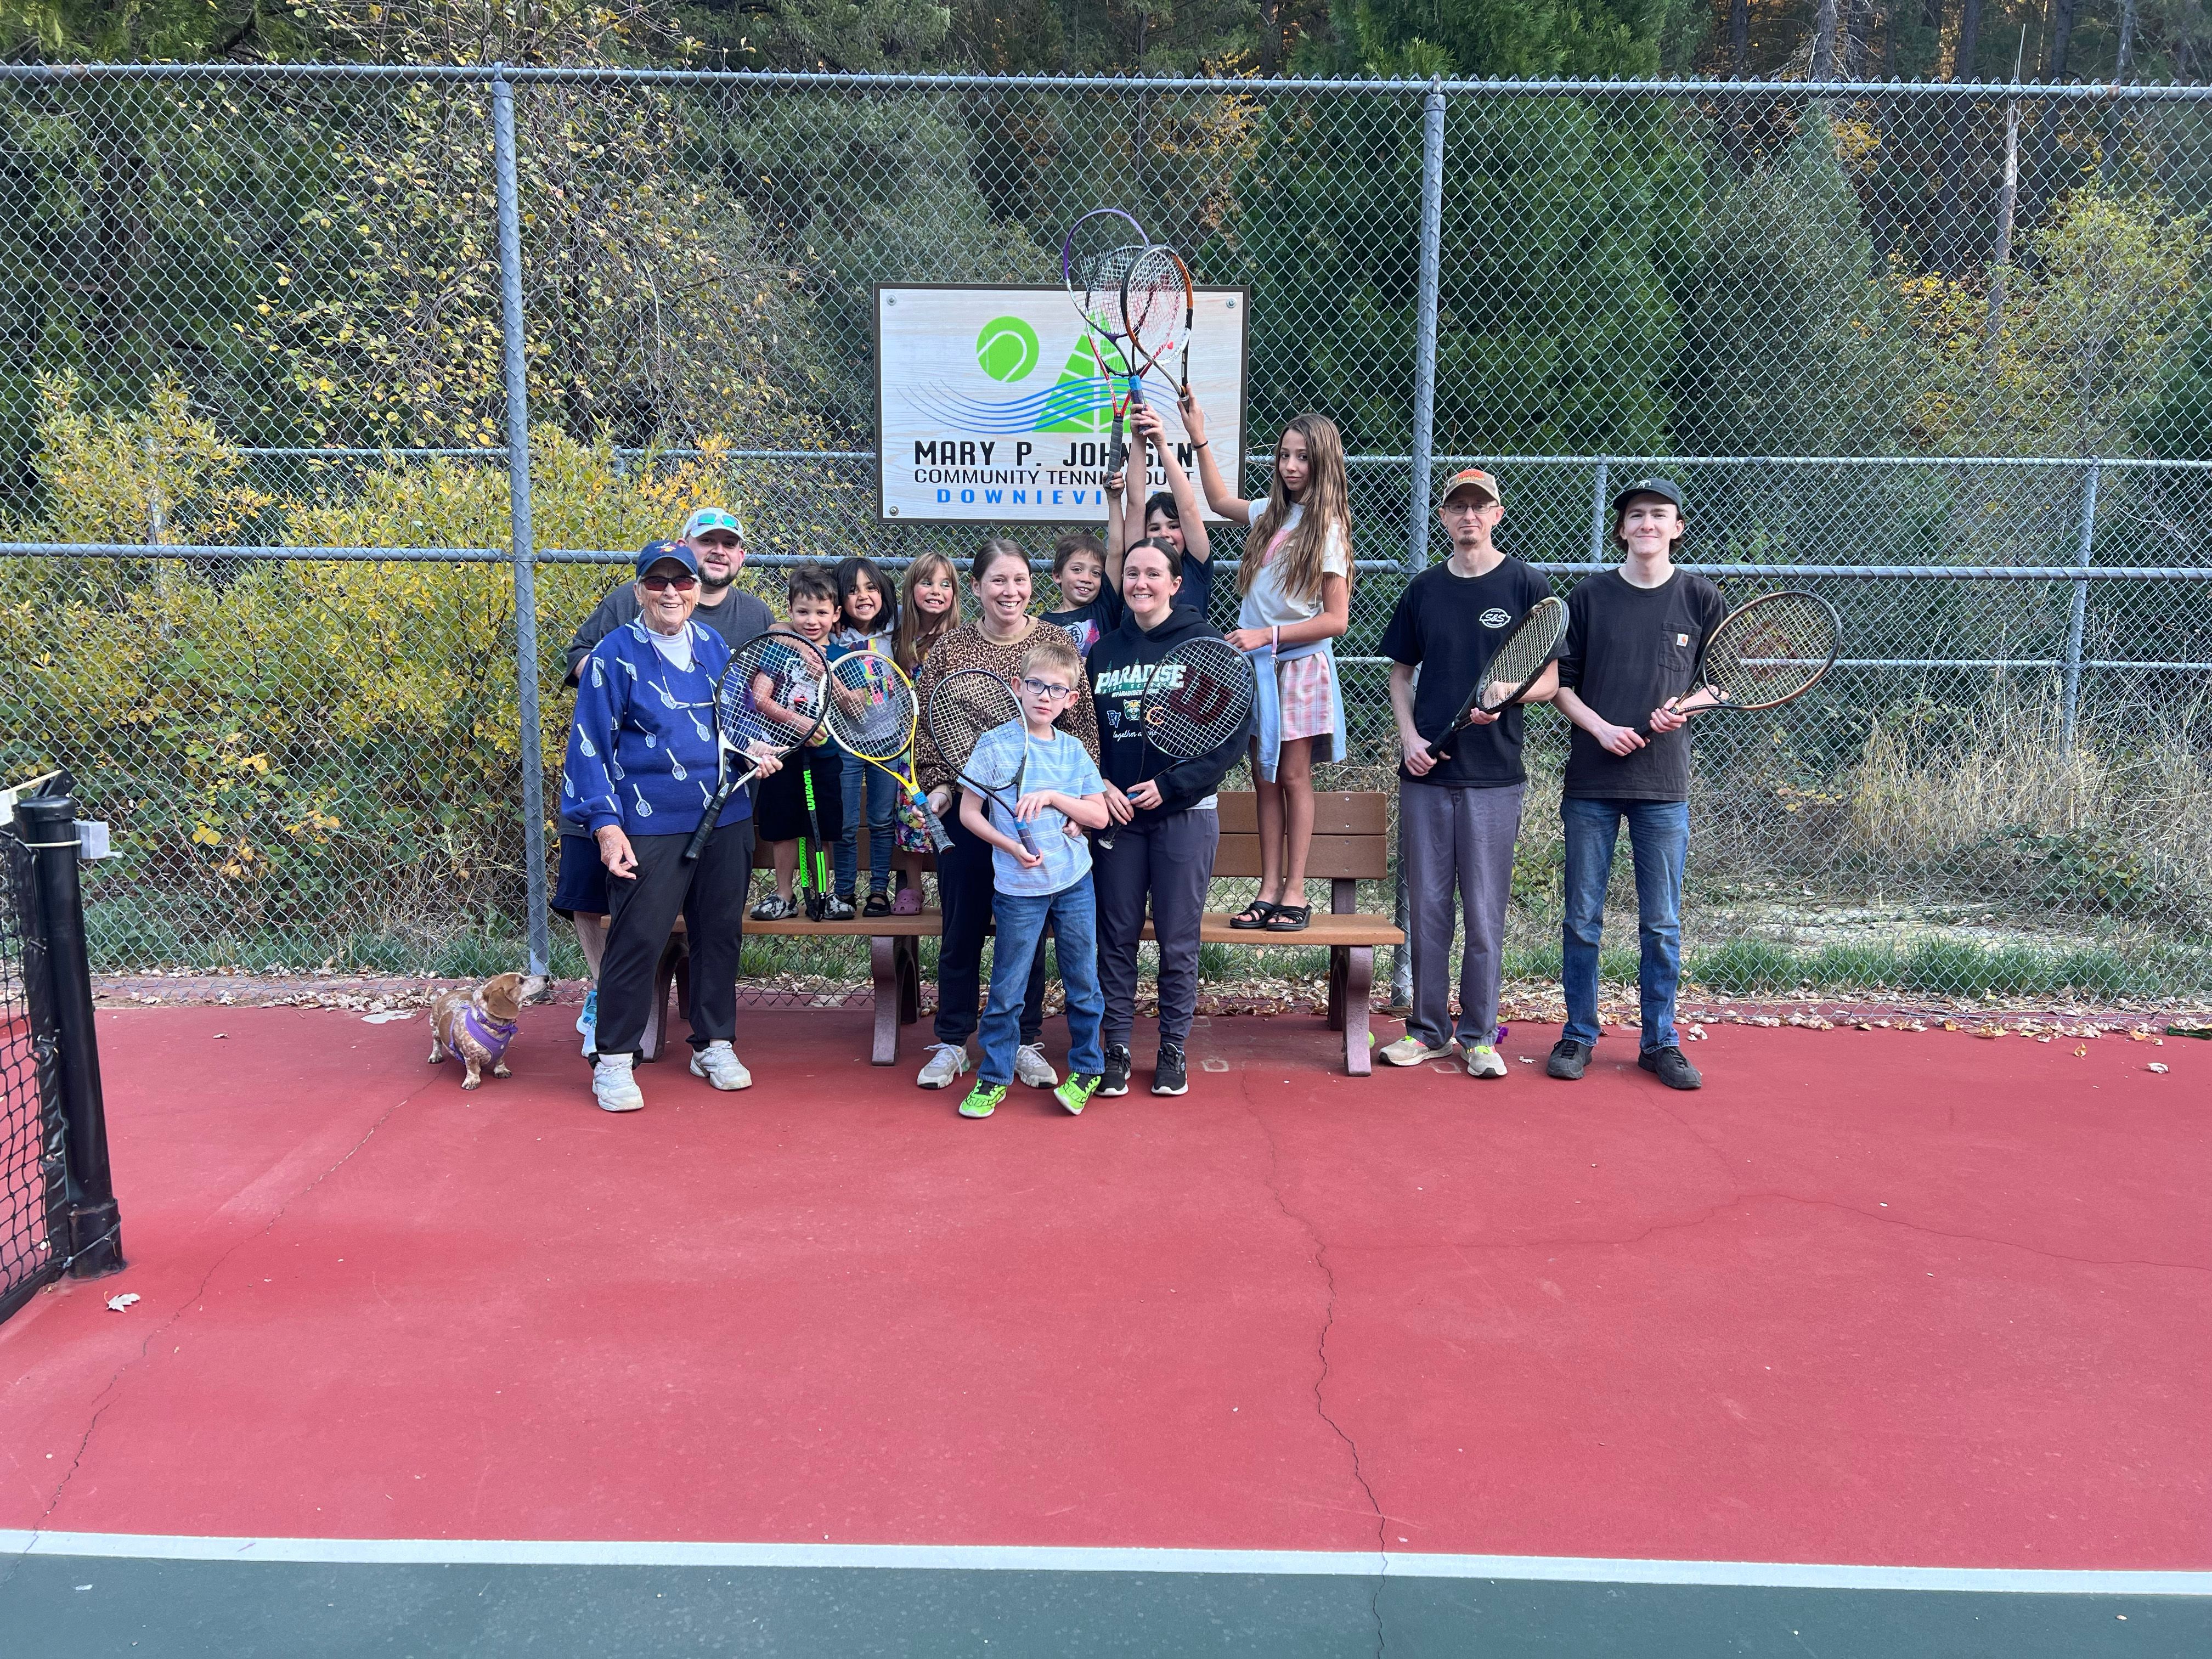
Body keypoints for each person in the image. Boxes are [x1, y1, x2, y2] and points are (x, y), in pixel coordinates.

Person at [560, 540, 778, 1113]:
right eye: (657, 582)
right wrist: (607, 827)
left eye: (681, 582)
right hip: (650, 824)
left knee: (718, 935)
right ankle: (613, 1059)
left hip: (727, 814)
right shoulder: (613, 654)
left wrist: (755, 751)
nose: (671, 593)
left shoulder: (714, 648)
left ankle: (714, 1044)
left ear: (697, 589)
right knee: (638, 940)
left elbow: (736, 726)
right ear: (639, 591)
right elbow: (588, 749)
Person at [1548, 477, 1728, 1092]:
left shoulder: (1700, 597)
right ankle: (1578, 1033)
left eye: (1660, 515)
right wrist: (1600, 728)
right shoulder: (1590, 597)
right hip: (1592, 781)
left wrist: (1685, 707)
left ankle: (1660, 1042)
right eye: (1636, 516)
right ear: (1621, 528)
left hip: (1663, 786)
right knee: (1582, 919)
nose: (1647, 524)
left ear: (1678, 527)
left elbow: (1723, 681)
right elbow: (1561, 685)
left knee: (1662, 924)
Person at [1379, 469, 1557, 1080]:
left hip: (1494, 778)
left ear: (1498, 514)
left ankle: (1480, 1036)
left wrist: (1509, 691)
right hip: (1426, 775)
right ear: (1445, 517)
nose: (1468, 517)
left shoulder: (1526, 583)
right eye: (1458, 507)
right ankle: (1428, 1031)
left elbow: (1554, 681)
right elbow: (1401, 676)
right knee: (1427, 912)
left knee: (1483, 916)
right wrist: (1410, 741)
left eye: (1479, 507)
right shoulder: (1425, 589)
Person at [914, 538, 1102, 1093]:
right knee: (962, 927)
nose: (1010, 591)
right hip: (973, 814)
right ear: (975, 588)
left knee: (1030, 933)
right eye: (998, 580)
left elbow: (1082, 725)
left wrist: (1075, 811)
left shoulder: (1053, 642)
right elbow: (929, 731)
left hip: (1042, 817)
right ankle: (953, 1040)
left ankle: (1025, 1042)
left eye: (1019, 580)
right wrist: (940, 787)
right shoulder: (949, 650)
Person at [1086, 540, 1251, 1098]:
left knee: (1179, 942)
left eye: (1153, 574)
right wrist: (1098, 784)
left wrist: (1170, 785)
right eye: (1132, 573)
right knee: (1116, 938)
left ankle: (1174, 1048)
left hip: (1185, 815)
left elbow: (1231, 736)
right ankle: (1116, 1047)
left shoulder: (1204, 644)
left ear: (1176, 583)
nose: (1141, 583)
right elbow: (1083, 733)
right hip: (1118, 819)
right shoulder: (1104, 652)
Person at [1184, 389, 1352, 935]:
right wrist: (1199, 435)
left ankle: (1296, 892)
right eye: (1284, 455)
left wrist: (1268, 635)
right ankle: (1267, 889)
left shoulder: (1326, 528)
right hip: (1258, 668)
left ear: (1323, 462)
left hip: (1298, 666)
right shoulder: (1270, 514)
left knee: (1294, 776)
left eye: (1302, 456)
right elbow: (1216, 501)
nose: (1291, 465)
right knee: (1263, 778)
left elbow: (1336, 620)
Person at [954, 633, 1111, 1120]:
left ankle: (1087, 1068)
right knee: (1007, 987)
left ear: (1072, 699)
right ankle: (994, 1077)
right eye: (1037, 686)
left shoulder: (1072, 751)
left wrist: (1057, 800)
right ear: (1017, 686)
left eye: (1057, 690)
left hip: (1073, 883)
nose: (1046, 696)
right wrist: (1011, 847)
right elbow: (969, 814)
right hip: (1018, 889)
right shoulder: (993, 745)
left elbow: (1100, 816)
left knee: (1083, 980)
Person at [749, 565, 849, 921]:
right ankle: (785, 896)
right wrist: (799, 721)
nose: (812, 620)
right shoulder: (779, 650)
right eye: (803, 611)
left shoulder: (841, 656)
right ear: (790, 611)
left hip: (824, 757)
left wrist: (830, 677)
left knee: (820, 829)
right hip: (780, 754)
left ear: (836, 614)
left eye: (822, 612)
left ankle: (823, 894)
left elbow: (854, 708)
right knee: (784, 828)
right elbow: (761, 698)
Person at [889, 551, 964, 917]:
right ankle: (913, 887)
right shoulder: (898, 639)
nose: (936, 591)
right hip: (909, 745)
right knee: (911, 810)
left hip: (952, 741)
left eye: (945, 584)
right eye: (927, 582)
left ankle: (957, 886)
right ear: (912, 588)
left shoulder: (962, 638)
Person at [830, 556, 901, 916]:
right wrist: (841, 692)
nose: (863, 596)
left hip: (888, 742)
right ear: (838, 599)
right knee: (845, 822)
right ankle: (843, 892)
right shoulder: (829, 632)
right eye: (853, 590)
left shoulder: (894, 628)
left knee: (881, 820)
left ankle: (878, 890)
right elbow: (788, 624)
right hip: (844, 745)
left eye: (871, 588)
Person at [1104, 400, 1214, 621]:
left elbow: (1188, 508)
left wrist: (1161, 444)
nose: (1164, 534)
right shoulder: (1138, 560)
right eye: (1154, 528)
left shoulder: (1196, 565)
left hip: (1187, 655)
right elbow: (1135, 503)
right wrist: (1138, 438)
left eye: (1174, 526)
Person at [1040, 531, 1121, 658]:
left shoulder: (1104, 608)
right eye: (1077, 570)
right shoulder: (1041, 624)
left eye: (1096, 573)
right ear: (1057, 575)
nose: (1086, 578)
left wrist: (1113, 509)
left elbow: (1117, 550)